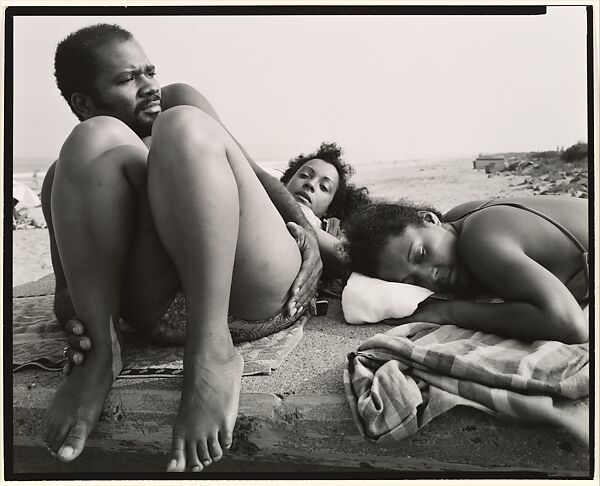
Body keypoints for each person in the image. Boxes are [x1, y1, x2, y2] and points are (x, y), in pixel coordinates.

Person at [40, 23, 324, 472]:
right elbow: (65, 292)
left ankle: (212, 351)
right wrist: (82, 324)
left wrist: (317, 239)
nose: (150, 85)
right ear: (84, 102)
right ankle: (103, 358)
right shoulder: (75, 176)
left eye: (149, 71)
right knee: (80, 148)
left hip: (247, 290)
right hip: (160, 314)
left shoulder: (176, 103)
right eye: (128, 78)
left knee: (182, 124)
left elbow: (255, 176)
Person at [63, 142, 371, 366]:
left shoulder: (324, 226)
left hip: (251, 294)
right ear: (287, 178)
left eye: (324, 186)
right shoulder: (255, 193)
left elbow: (346, 257)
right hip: (173, 285)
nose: (310, 185)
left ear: (332, 206)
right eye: (305, 174)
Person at [344, 195, 589, 344]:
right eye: (414, 282)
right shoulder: (460, 215)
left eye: (421, 254)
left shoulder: (478, 239)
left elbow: (569, 325)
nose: (431, 276)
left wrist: (448, 312)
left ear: (429, 219)